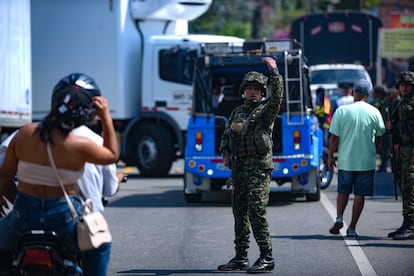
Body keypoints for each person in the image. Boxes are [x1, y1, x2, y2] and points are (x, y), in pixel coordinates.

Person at [0, 73, 119, 273]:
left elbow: (4, 175)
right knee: (100, 247)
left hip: (23, 215)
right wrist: (106, 117)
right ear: (85, 115)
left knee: (2, 246)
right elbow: (112, 155)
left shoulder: (24, 134)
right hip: (63, 217)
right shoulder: (80, 145)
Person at [218, 57, 283, 273]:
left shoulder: (265, 112)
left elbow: (277, 98)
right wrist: (226, 153)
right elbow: (227, 136)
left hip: (258, 168)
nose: (253, 92)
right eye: (249, 88)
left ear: (262, 92)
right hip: (240, 169)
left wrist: (274, 71)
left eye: (257, 89)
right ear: (243, 91)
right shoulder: (236, 112)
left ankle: (267, 256)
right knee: (240, 212)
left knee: (256, 210)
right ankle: (240, 257)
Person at [328, 79, 385, 238]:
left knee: (343, 191)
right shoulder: (374, 112)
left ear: (353, 92)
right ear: (368, 94)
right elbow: (380, 136)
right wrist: (374, 150)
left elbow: (334, 138)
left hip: (346, 160)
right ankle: (352, 227)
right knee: (359, 194)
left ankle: (339, 217)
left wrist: (331, 157)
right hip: (366, 161)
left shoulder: (342, 111)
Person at [386, 71, 414, 240]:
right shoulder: (401, 103)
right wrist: (390, 126)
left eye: (407, 85)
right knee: (404, 185)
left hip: (411, 151)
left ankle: (411, 225)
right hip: (402, 150)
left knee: (410, 188)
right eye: (401, 85)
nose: (404, 88)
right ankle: (406, 222)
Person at [371, 85, 392, 172]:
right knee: (382, 148)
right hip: (381, 130)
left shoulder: (382, 104)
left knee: (384, 148)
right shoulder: (384, 103)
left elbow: (386, 117)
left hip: (383, 130)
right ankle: (383, 164)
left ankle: (384, 165)